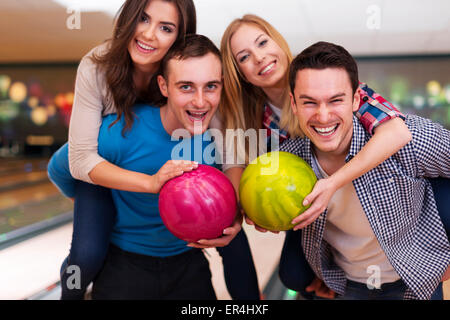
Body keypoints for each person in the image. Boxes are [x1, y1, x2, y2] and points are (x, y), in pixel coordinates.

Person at [50, 0, 259, 300]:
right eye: (143, 19)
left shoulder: (193, 72)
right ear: (164, 86)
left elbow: (231, 156)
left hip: (182, 256)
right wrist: (130, 187)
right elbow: (74, 160)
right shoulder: (98, 70)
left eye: (166, 27)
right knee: (87, 255)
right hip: (98, 165)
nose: (149, 34)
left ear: (179, 37)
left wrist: (234, 213)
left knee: (231, 234)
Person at [219, 14, 411, 298]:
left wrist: (331, 184)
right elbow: (256, 179)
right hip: (316, 208)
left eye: (262, 42)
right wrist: (258, 211)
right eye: (245, 56)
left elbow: (398, 133)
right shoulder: (257, 120)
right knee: (294, 276)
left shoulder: (324, 79)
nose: (259, 58)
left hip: (371, 192)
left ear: (278, 43)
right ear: (240, 73)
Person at [279, 41, 450, 300]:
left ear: (357, 99)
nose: (323, 116)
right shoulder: (288, 160)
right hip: (347, 286)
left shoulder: (407, 139)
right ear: (293, 104)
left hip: (415, 282)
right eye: (309, 103)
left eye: (335, 100)